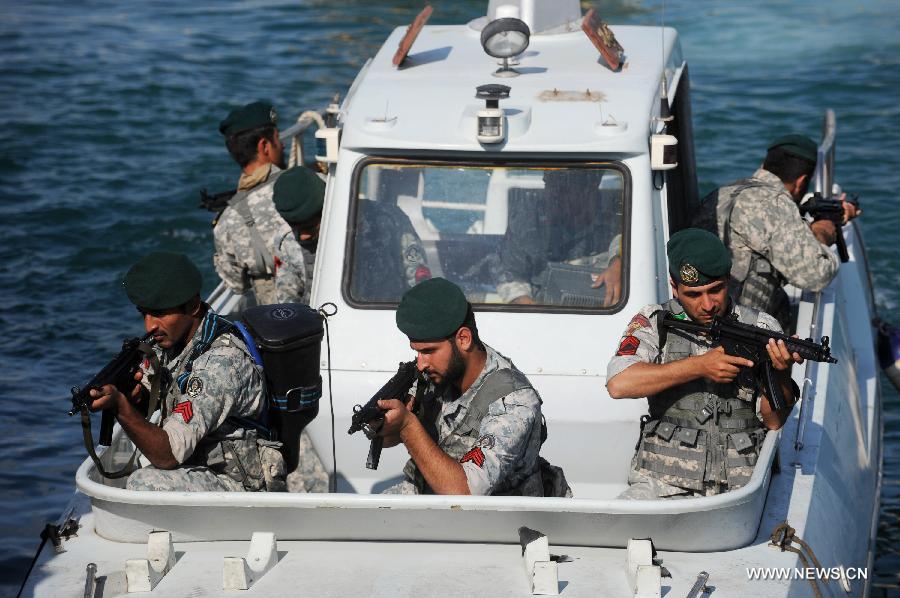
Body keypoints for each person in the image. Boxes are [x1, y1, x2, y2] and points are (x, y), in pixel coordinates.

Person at [606, 229, 803, 499]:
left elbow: (773, 421)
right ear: (674, 288)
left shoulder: (761, 327)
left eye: (716, 290)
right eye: (693, 295)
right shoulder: (654, 321)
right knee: (620, 521)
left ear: (729, 281)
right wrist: (699, 366)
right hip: (662, 482)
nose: (707, 304)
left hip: (740, 487)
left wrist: (780, 375)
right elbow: (619, 384)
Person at [89, 251, 286, 492]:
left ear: (193, 306)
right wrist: (136, 398)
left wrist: (120, 406)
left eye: (160, 313)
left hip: (238, 484)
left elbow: (168, 454)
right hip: (196, 466)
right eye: (144, 313)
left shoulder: (221, 363)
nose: (150, 326)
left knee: (145, 483)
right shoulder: (168, 344)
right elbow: (155, 395)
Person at [378, 277, 570, 496]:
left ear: (464, 339)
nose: (421, 363)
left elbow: (465, 493)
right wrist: (383, 425)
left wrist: (407, 426)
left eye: (429, 351)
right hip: (432, 496)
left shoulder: (513, 401)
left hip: (492, 518)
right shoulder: (437, 372)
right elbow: (389, 438)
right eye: (417, 352)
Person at [692, 134, 859, 328]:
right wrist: (823, 232)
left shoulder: (722, 193)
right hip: (739, 329)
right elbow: (817, 275)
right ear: (801, 181)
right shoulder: (775, 203)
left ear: (766, 164)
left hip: (701, 316)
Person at [494, 169, 623, 307]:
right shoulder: (526, 225)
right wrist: (528, 305)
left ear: (589, 189)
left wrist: (620, 264)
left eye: (565, 188)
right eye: (550, 185)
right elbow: (508, 273)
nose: (555, 194)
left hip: (602, 314)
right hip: (543, 313)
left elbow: (635, 252)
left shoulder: (618, 224)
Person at [212, 101, 291, 304]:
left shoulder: (227, 221)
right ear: (264, 146)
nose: (282, 145)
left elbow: (236, 284)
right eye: (277, 139)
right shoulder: (313, 185)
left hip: (278, 323)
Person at [271, 166, 327, 304]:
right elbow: (287, 297)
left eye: (310, 227)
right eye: (296, 228)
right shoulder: (285, 242)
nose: (303, 237)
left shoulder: (365, 223)